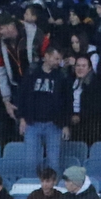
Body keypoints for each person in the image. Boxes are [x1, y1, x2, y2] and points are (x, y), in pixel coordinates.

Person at [18, 45, 71, 175]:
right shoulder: (32, 73)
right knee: (31, 162)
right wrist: (22, 118)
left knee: (54, 162)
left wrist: (65, 124)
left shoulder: (62, 76)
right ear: (46, 56)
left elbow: (68, 102)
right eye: (56, 58)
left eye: (60, 59)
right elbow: (22, 96)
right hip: (32, 123)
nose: (58, 62)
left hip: (54, 124)